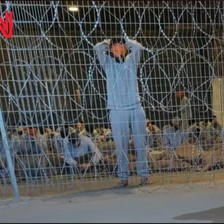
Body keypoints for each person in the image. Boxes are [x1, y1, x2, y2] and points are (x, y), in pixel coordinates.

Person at [93, 36, 149, 187]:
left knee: (140, 144)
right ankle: (123, 177)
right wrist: (108, 41)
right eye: (114, 47)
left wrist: (126, 40)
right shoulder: (108, 64)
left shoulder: (132, 61)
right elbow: (97, 48)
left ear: (125, 48)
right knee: (121, 145)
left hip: (135, 107)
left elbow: (138, 47)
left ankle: (143, 175)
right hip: (117, 110)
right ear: (111, 50)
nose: (118, 48)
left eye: (120, 46)